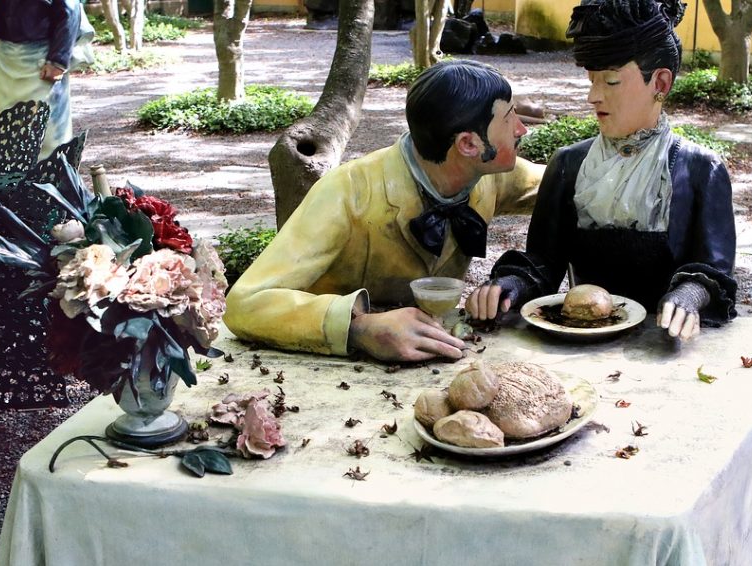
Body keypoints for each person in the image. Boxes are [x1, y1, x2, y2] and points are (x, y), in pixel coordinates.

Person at [225, 60, 544, 362]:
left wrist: (518, 279)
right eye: (509, 118)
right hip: (333, 374)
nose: (522, 129)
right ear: (469, 145)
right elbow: (243, 303)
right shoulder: (346, 193)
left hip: (441, 358)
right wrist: (357, 327)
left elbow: (563, 182)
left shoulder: (489, 176)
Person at [466, 0, 737, 341]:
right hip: (582, 341)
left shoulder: (701, 170)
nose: (593, 96)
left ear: (660, 83)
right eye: (592, 81)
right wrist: (511, 285)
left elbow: (715, 270)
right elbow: (543, 261)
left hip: (668, 345)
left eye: (610, 81)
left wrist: (691, 294)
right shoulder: (568, 164)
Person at [0, 0, 81, 160]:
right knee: (11, 133)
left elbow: (70, 10)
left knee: (49, 135)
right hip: (5, 59)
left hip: (42, 59)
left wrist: (58, 60)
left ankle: (53, 174)